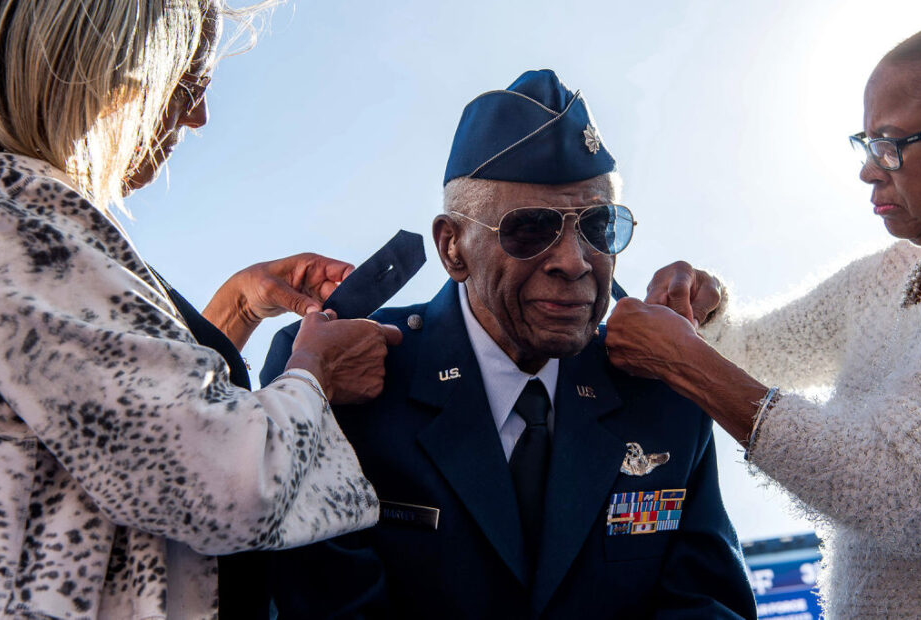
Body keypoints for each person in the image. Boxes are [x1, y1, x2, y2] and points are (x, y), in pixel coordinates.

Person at [260, 70, 757, 618]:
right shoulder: (337, 378)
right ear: (453, 248)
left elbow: (706, 604)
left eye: (599, 227)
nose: (573, 261)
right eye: (530, 228)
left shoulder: (660, 389)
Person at [0, 1, 402, 618]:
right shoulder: (26, 227)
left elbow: (125, 415)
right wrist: (314, 374)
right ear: (111, 73)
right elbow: (229, 483)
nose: (198, 116)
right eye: (188, 84)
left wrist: (233, 310)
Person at [604, 29, 921, 618]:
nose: (870, 172)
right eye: (867, 143)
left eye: (891, 143)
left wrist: (685, 362)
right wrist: (709, 310)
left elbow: (901, 487)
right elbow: (758, 352)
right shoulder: (884, 278)